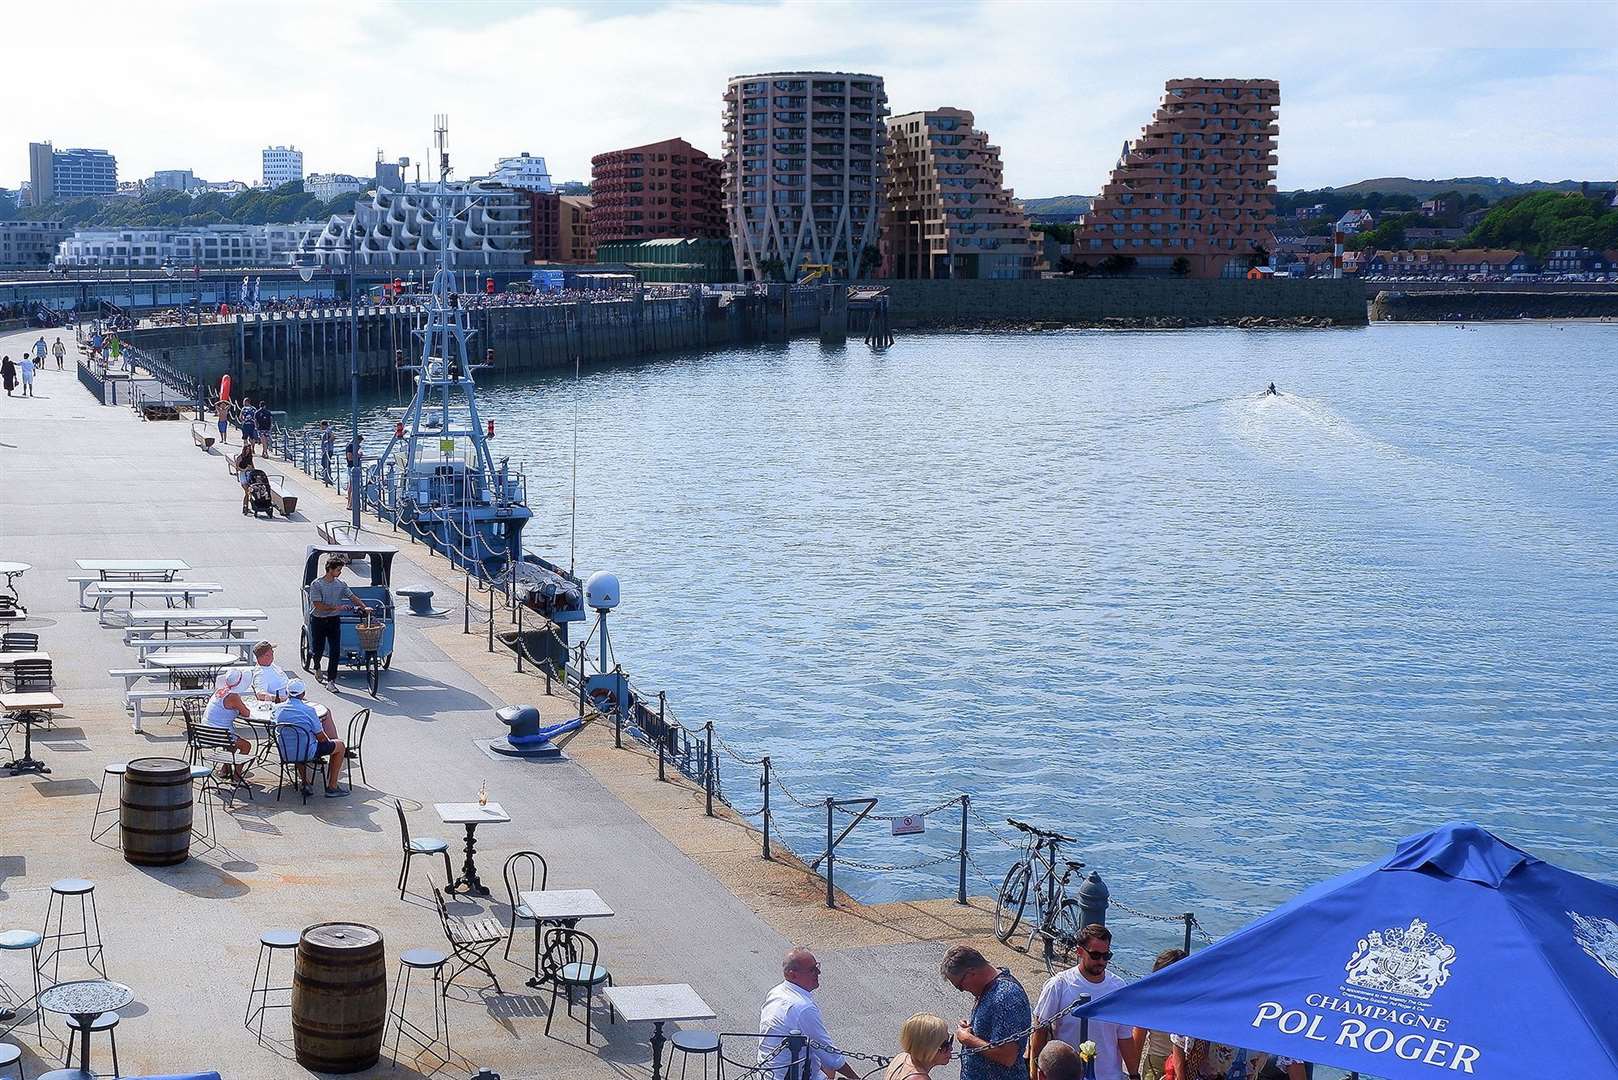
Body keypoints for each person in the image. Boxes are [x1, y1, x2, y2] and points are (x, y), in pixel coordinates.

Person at [1032, 925, 1135, 1080]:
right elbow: (1040, 1031)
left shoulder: (1118, 987)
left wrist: (1134, 1075)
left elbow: (1125, 1037)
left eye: (1106, 956)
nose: (1101, 961)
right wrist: (1034, 1072)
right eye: (1095, 955)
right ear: (1079, 951)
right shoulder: (1059, 985)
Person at [757, 948, 861, 1080]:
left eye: (817, 966)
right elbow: (831, 1057)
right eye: (812, 970)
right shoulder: (803, 1008)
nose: (818, 972)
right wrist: (856, 1078)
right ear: (792, 974)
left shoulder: (776, 992)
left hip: (767, 1074)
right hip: (791, 1076)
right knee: (829, 1064)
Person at [941, 945, 1030, 1080]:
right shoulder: (990, 988)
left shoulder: (1005, 997)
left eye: (959, 986)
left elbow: (1008, 1056)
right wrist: (972, 1029)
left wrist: (968, 1039)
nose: (962, 990)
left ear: (971, 973)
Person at [273, 680, 347, 797]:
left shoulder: (276, 709)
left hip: (286, 752)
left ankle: (305, 782)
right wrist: (328, 742)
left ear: (287, 692)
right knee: (340, 746)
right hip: (307, 752)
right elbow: (321, 737)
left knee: (297, 742)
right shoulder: (309, 711)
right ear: (303, 694)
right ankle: (332, 787)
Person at [307, 557, 365, 688]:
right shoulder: (317, 585)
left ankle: (331, 681)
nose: (340, 572)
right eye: (338, 570)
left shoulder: (341, 584)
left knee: (335, 650)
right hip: (318, 620)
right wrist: (336, 607)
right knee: (318, 648)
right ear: (330, 569)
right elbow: (318, 605)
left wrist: (363, 606)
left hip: (333, 620)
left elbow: (352, 597)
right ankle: (317, 666)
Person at [1133, 950, 1186, 1080]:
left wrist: (1133, 1073)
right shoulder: (1192, 1001)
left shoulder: (1149, 1001)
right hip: (1176, 1064)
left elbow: (1137, 1042)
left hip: (1156, 1065)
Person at [201, 669, 254, 778]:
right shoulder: (233, 697)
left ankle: (225, 770)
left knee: (233, 744)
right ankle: (237, 776)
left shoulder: (220, 690)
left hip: (204, 731)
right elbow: (246, 713)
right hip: (219, 734)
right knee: (246, 746)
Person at [885, 1014, 954, 1080]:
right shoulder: (919, 1078)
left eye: (950, 1039)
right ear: (928, 1049)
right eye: (945, 1045)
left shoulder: (902, 1057)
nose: (951, 1048)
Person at [235, 441, 256, 513]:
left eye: (249, 450)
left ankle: (246, 507)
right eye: (247, 449)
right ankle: (245, 507)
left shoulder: (250, 457)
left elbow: (253, 466)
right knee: (247, 492)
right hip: (243, 474)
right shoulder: (240, 457)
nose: (248, 451)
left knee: (249, 492)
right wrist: (244, 469)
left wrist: (252, 470)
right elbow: (237, 467)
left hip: (249, 474)